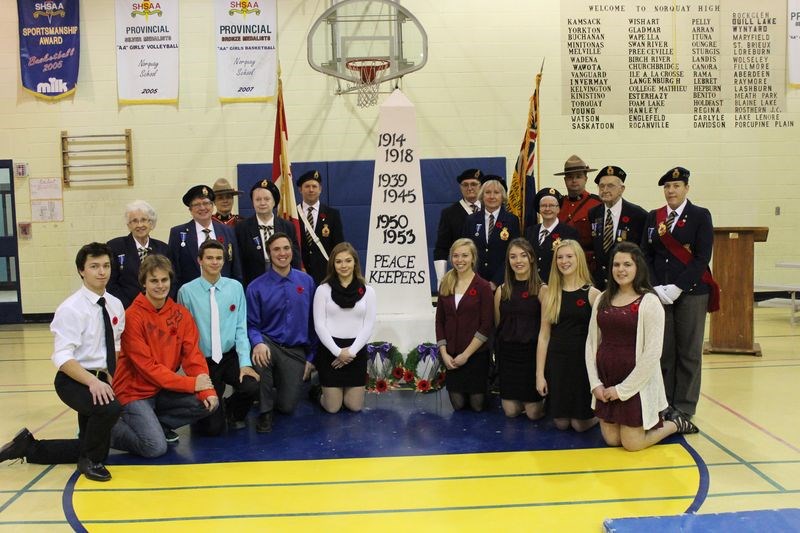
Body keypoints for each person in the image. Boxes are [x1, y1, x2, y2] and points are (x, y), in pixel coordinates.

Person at [0, 243, 123, 481]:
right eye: (94, 266)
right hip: (73, 380)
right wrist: (92, 382)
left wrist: (110, 376)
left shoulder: (115, 304)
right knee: (110, 409)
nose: (102, 272)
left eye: (106, 266)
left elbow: (115, 343)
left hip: (100, 377)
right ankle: (89, 462)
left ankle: (28, 447)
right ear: (81, 271)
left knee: (94, 444)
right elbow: (63, 357)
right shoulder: (71, 308)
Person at [111, 254, 218, 458]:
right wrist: (191, 384)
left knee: (207, 403)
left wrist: (206, 389)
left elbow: (193, 356)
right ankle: (108, 430)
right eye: (153, 281)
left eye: (164, 280)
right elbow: (148, 368)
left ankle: (155, 424)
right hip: (134, 393)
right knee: (155, 447)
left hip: (161, 390)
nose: (160, 286)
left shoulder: (181, 314)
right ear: (144, 283)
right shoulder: (133, 317)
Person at [586, 242, 685, 451]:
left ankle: (674, 424)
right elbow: (591, 342)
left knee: (632, 444)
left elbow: (652, 354)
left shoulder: (649, 301)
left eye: (627, 264)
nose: (621, 270)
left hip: (635, 383)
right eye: (616, 265)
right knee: (612, 440)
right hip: (606, 378)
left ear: (638, 267)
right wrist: (595, 384)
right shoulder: (603, 298)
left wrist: (623, 390)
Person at [641, 166, 717, 432]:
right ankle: (665, 402)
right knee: (664, 352)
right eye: (667, 187)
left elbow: (701, 258)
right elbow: (645, 255)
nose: (671, 191)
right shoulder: (654, 217)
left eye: (676, 186)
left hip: (692, 293)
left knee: (688, 352)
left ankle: (684, 406)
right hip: (660, 294)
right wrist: (655, 287)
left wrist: (677, 287)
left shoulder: (699, 216)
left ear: (686, 188)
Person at [177, 240, 259, 433]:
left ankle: (232, 410)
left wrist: (245, 363)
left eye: (219, 258)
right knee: (211, 430)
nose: (215, 262)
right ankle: (210, 410)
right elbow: (184, 336)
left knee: (251, 386)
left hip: (229, 356)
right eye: (209, 258)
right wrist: (195, 371)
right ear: (200, 261)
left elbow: (240, 328)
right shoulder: (186, 292)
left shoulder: (235, 288)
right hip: (203, 361)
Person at [246, 232, 317, 433]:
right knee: (262, 355)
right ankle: (265, 411)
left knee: (287, 407)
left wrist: (312, 358)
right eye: (276, 249)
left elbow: (314, 323)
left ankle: (276, 391)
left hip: (295, 350)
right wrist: (258, 342)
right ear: (269, 253)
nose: (282, 253)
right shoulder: (256, 287)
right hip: (269, 343)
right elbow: (252, 324)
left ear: (292, 251)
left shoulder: (307, 282)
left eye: (286, 248)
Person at [536, 239, 600, 432]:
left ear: (579, 259)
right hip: (558, 363)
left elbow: (599, 339)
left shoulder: (592, 294)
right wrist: (540, 375)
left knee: (580, 425)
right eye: (560, 257)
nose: (564, 261)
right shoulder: (550, 294)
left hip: (582, 364)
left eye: (569, 256)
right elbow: (544, 336)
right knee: (561, 424)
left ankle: (600, 414)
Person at [311, 242, 376, 413]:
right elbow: (319, 325)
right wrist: (338, 352)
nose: (343, 265)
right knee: (332, 408)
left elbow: (368, 325)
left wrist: (351, 352)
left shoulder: (368, 291)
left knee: (354, 407)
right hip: (330, 351)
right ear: (333, 264)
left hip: (356, 352)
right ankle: (316, 391)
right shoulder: (322, 290)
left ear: (355, 262)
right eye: (338, 261)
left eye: (348, 261)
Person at [435, 238, 494, 411]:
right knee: (458, 406)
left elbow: (486, 325)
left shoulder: (483, 287)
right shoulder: (445, 284)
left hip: (475, 356)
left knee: (477, 406)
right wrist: (444, 353)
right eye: (456, 256)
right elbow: (440, 320)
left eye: (465, 256)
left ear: (473, 258)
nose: (460, 260)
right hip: (451, 357)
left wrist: (466, 355)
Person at [493, 238, 545, 419]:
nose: (518, 261)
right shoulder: (502, 290)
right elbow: (498, 325)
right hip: (508, 357)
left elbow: (547, 331)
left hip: (531, 357)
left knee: (533, 414)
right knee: (511, 412)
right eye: (513, 257)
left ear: (531, 258)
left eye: (523, 255)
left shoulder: (541, 290)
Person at [167, 184, 241, 292]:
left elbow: (236, 267)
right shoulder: (178, 233)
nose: (202, 208)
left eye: (206, 203)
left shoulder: (228, 231)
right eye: (197, 204)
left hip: (224, 293)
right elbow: (173, 270)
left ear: (212, 206)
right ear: (190, 209)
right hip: (192, 295)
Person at [588, 166, 648, 290]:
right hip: (600, 284)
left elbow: (644, 252)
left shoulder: (638, 214)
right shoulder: (593, 213)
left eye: (610, 186)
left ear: (621, 189)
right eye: (601, 186)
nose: (605, 190)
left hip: (628, 284)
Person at [235, 179, 300, 287]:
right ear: (253, 202)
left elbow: (295, 259)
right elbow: (239, 263)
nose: (262, 203)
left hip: (284, 282)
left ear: (274, 202)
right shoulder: (242, 228)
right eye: (258, 199)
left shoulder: (287, 227)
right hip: (253, 284)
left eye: (267, 199)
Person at [107, 200, 170, 308]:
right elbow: (111, 283)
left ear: (151, 223)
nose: (139, 225)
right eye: (134, 221)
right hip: (126, 309)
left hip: (158, 309)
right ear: (129, 225)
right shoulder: (115, 247)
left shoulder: (163, 249)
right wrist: (132, 307)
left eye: (144, 220)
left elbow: (172, 280)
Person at [462, 177, 520, 291]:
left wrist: (496, 282)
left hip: (502, 284)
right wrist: (476, 280)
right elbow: (465, 251)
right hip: (475, 283)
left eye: (496, 192)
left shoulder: (512, 220)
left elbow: (513, 254)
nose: (492, 196)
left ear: (502, 196)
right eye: (487, 192)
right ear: (482, 196)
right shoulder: (471, 220)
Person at [433, 168, 483, 287]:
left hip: (488, 276)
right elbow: (441, 248)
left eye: (474, 184)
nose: (469, 188)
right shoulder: (449, 214)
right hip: (460, 275)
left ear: (481, 186)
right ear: (460, 187)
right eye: (465, 185)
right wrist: (441, 279)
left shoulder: (491, 211)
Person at [297, 169, 345, 284]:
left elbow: (339, 246)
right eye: (307, 186)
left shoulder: (332, 214)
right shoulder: (292, 214)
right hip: (299, 272)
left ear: (320, 189)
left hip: (326, 274)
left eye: (314, 186)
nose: (311, 189)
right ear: (300, 190)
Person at [555, 155, 602, 269]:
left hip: (587, 265)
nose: (574, 180)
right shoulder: (557, 204)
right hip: (561, 264)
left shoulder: (597, 204)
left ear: (586, 178)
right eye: (570, 177)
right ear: (565, 180)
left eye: (578, 176)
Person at [524, 187, 579, 282]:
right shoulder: (529, 232)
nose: (547, 209)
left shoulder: (569, 233)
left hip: (557, 285)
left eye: (552, 205)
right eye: (543, 205)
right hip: (532, 286)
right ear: (539, 209)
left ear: (558, 209)